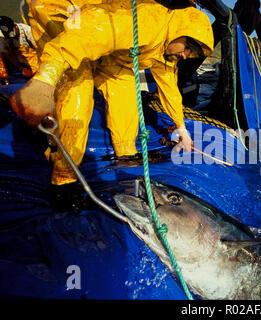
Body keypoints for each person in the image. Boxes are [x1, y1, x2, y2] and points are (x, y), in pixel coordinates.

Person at [11, 0, 214, 188]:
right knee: (78, 87)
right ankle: (64, 178)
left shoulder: (165, 49)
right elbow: (83, 37)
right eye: (187, 47)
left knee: (124, 86)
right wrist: (44, 81)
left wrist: (182, 129)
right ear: (180, 30)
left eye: (191, 52)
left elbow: (169, 88)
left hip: (109, 48)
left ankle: (125, 153)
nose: (184, 54)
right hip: (63, 11)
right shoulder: (145, 23)